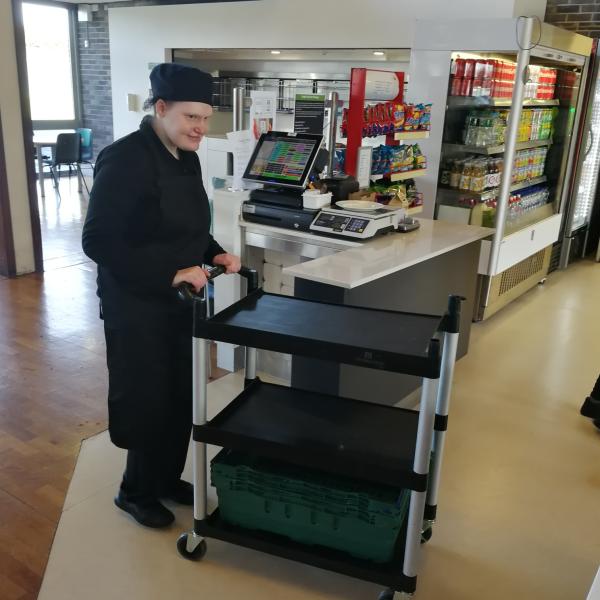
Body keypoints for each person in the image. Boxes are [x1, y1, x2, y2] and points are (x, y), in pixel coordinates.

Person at [82, 63, 241, 528]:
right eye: (192, 117)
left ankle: (167, 480)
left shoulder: (185, 156)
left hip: (179, 302)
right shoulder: (124, 158)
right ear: (161, 107)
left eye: (206, 119)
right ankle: (134, 491)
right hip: (136, 303)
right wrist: (172, 273)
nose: (201, 128)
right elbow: (99, 242)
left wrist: (216, 252)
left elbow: (187, 229)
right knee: (148, 397)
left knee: (180, 393)